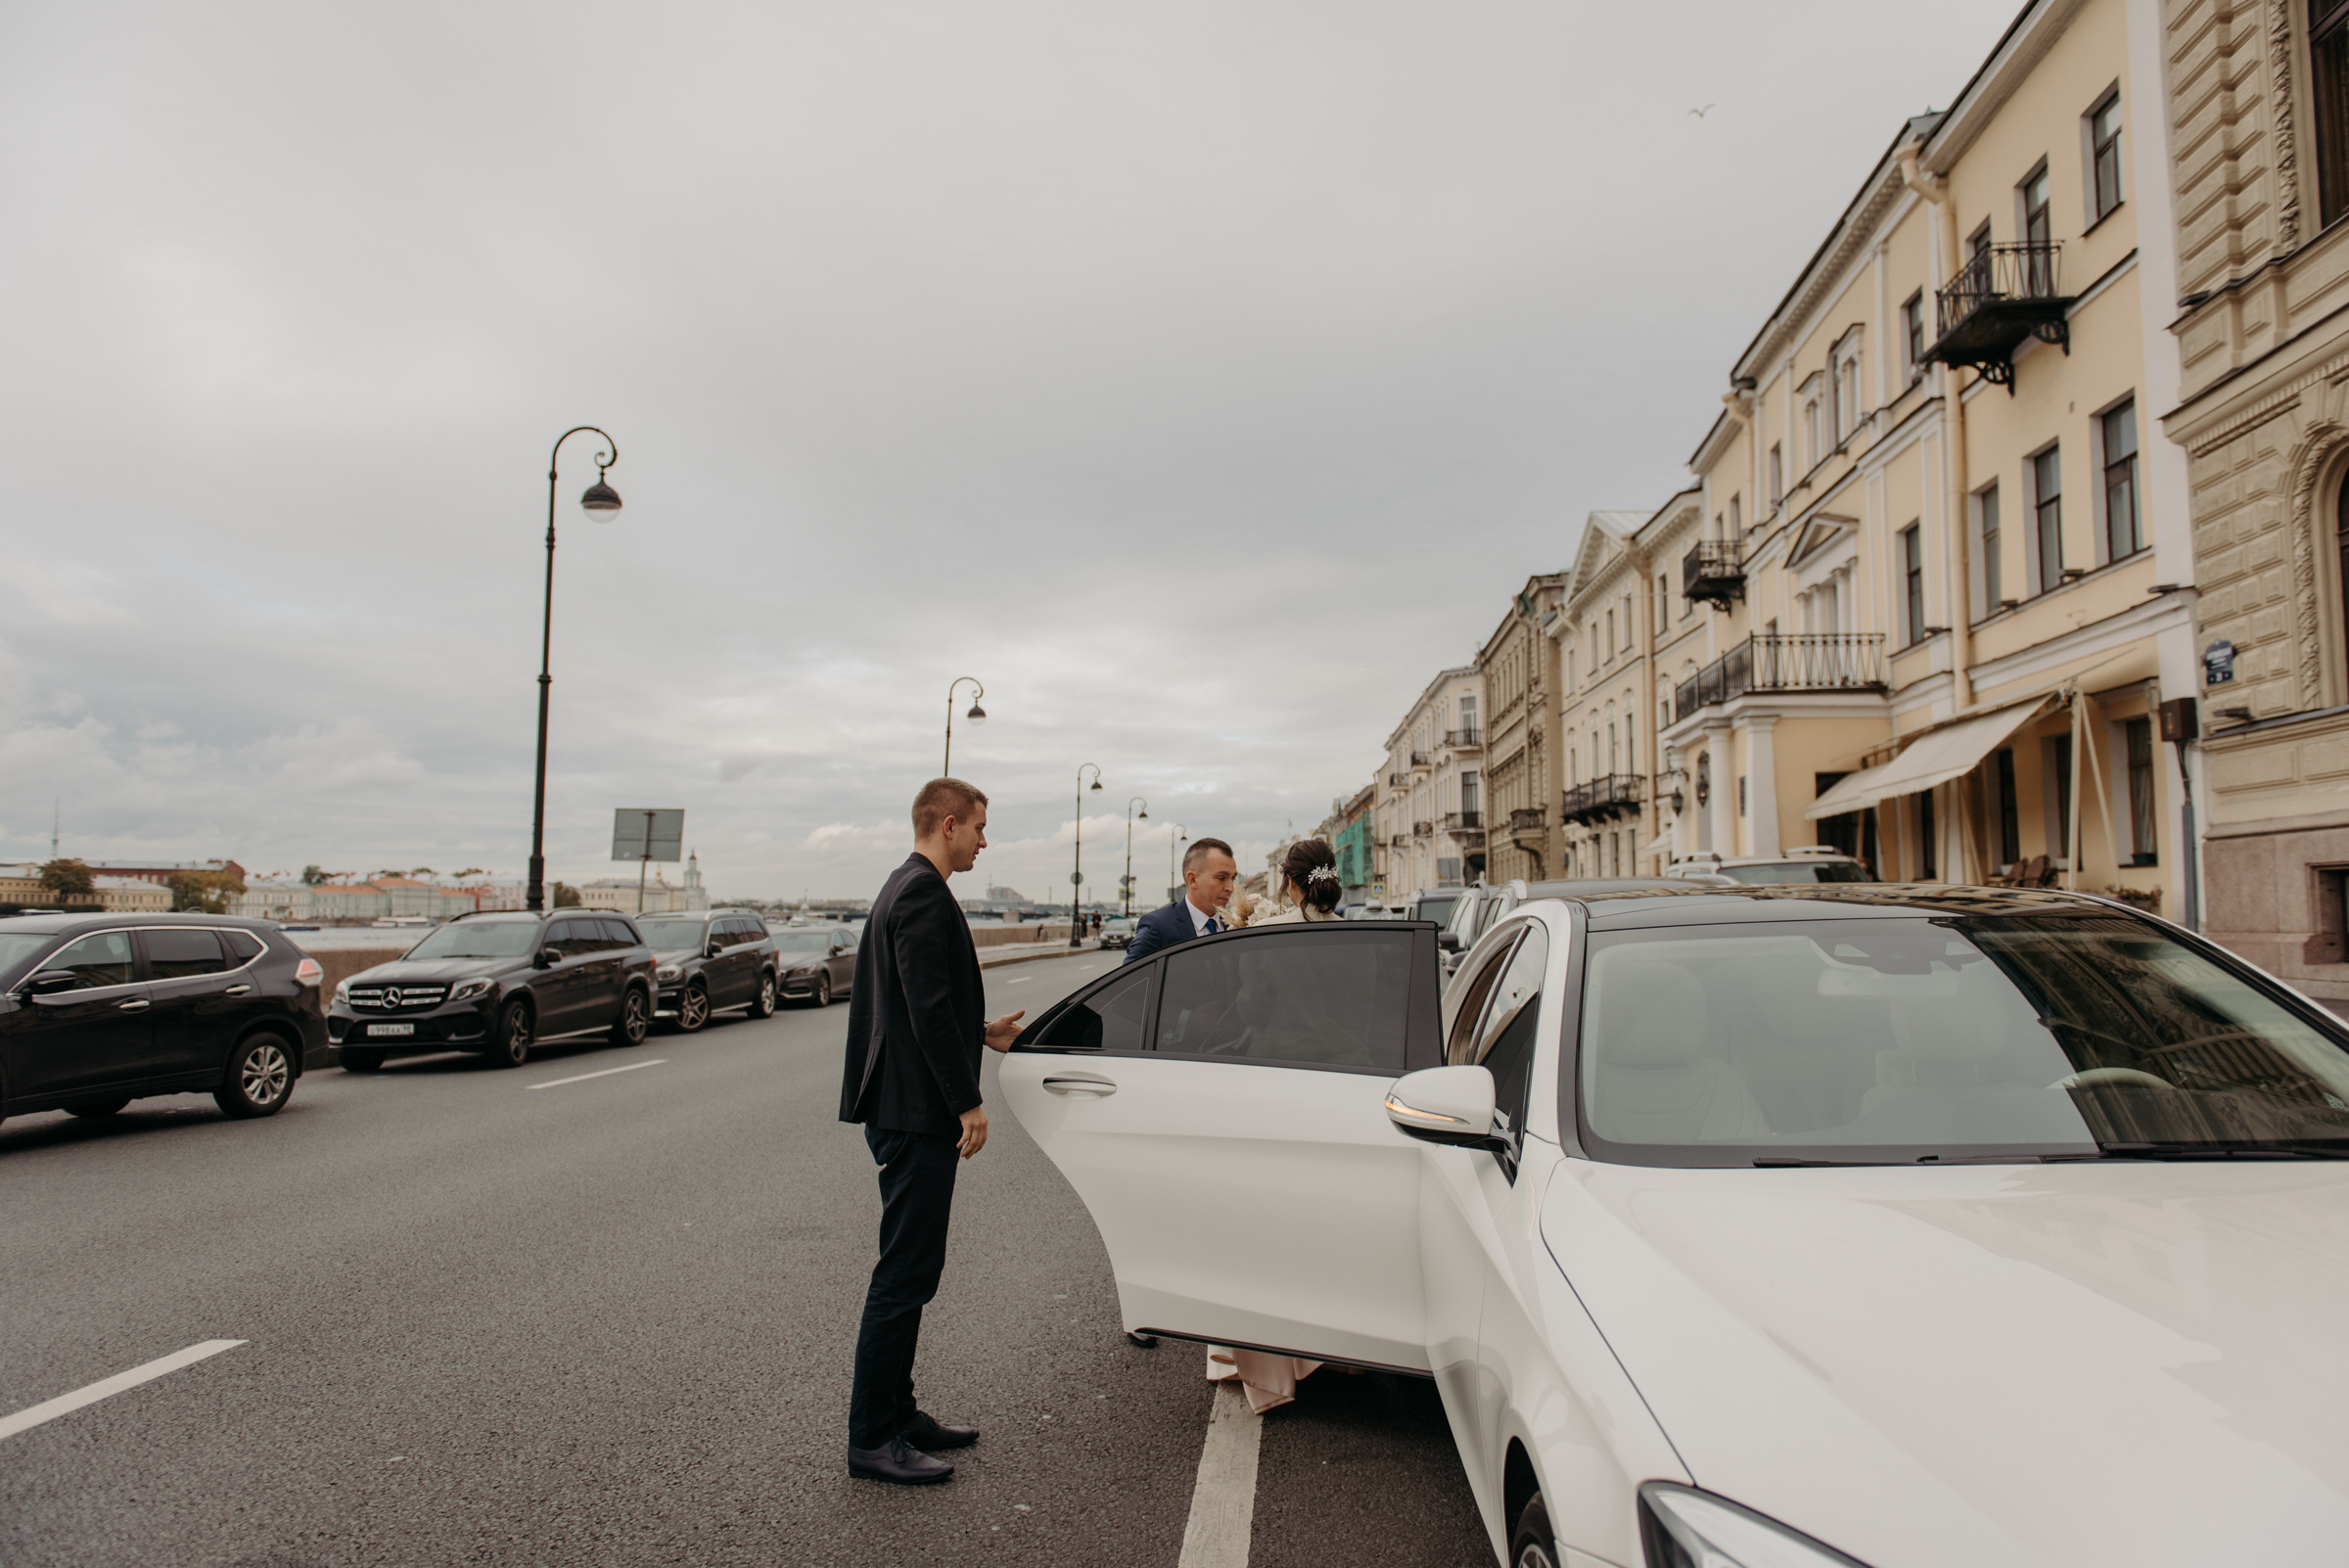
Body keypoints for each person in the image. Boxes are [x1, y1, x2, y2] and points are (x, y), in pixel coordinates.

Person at [838, 777, 1027, 1486]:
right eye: (980, 826)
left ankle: (899, 1412)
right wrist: (967, 1100)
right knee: (904, 1274)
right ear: (948, 824)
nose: (985, 838)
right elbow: (922, 1002)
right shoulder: (920, 891)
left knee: (913, 1269)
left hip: (905, 1106)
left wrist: (980, 1033)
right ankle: (870, 1436)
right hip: (915, 1113)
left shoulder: (903, 885)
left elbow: (926, 1006)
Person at [1206, 837, 1346, 1413]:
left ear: (1289, 883)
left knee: (1266, 1224)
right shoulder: (1357, 937)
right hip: (1345, 1088)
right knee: (1327, 1218)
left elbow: (1251, 1011)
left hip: (1278, 1086)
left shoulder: (1269, 936)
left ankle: (1274, 1362)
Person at [1122, 838, 1238, 965]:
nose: (1230, 888)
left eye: (1233, 878)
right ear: (1193, 879)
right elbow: (1128, 981)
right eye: (1221, 878)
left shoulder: (1237, 924)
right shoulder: (1158, 927)